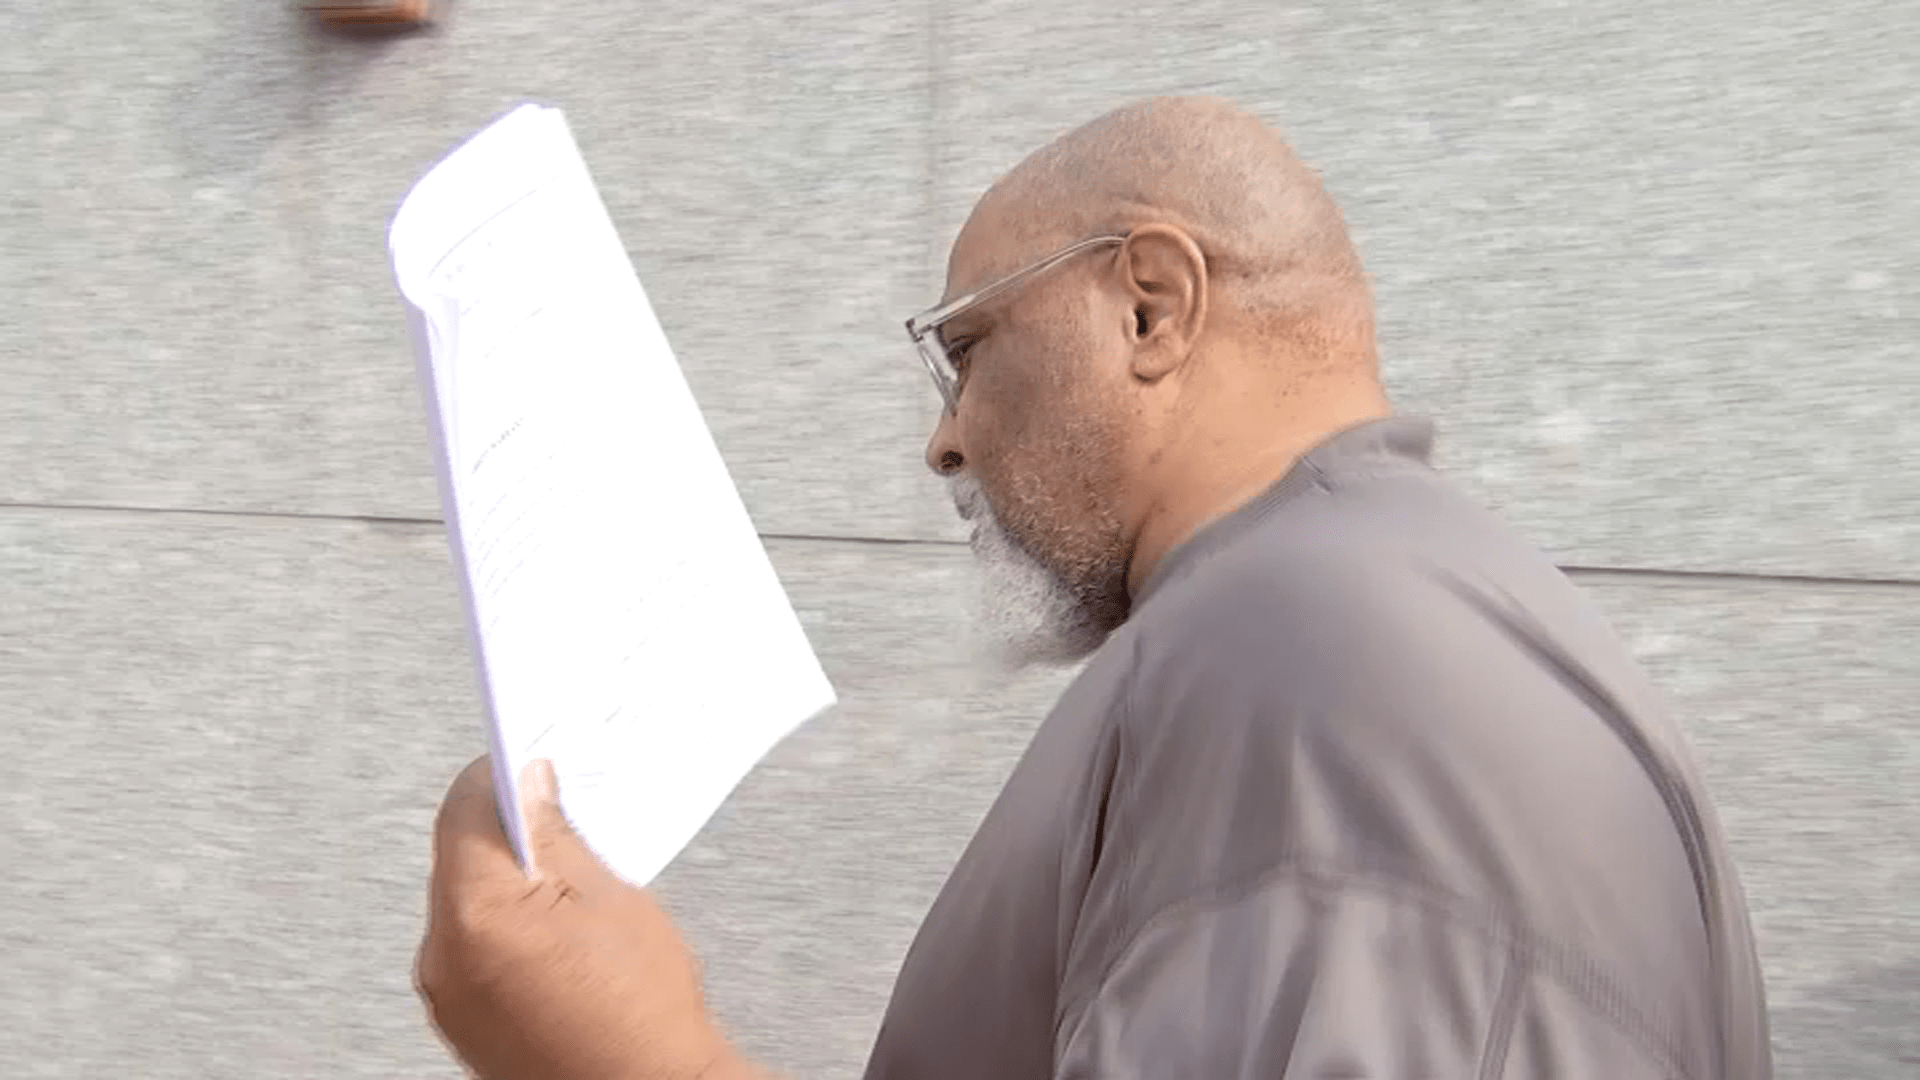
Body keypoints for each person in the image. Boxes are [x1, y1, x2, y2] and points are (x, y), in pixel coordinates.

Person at [414, 96, 1773, 1079]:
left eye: (968, 351)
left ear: (1150, 307)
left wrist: (626, 1061)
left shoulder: (1319, 660)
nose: (943, 438)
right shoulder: (1370, 626)